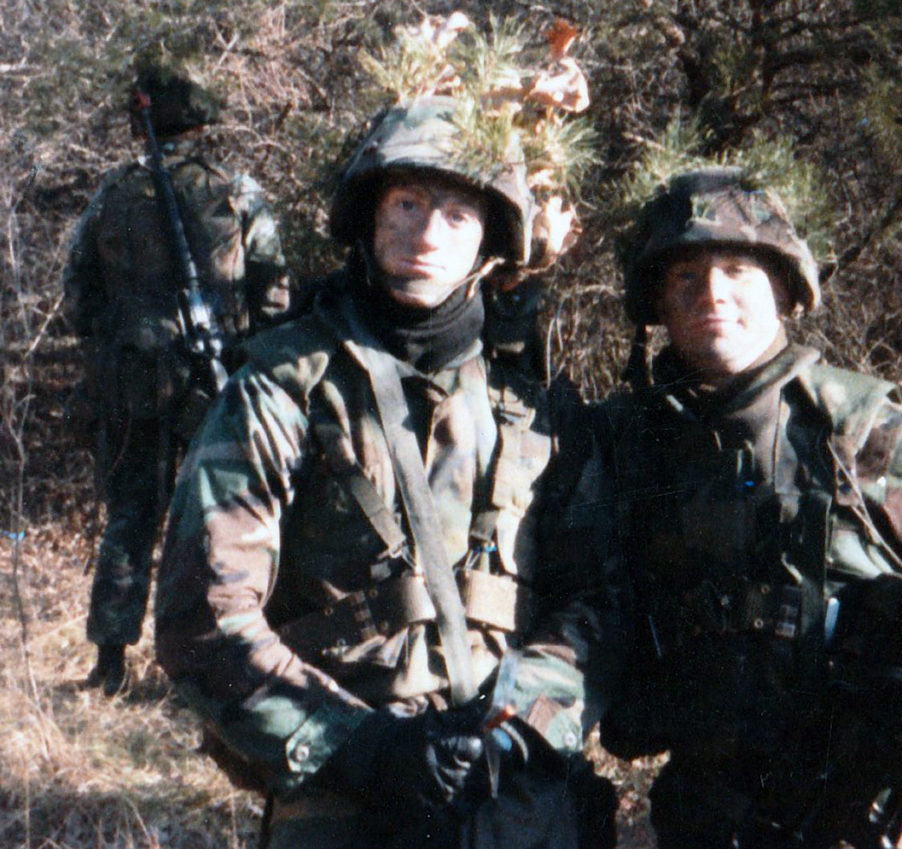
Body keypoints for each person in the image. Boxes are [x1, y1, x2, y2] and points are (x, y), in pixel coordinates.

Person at [154, 96, 621, 849]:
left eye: (458, 215)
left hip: (508, 784)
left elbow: (598, 601)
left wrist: (520, 724)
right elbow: (202, 620)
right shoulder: (282, 388)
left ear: (492, 246)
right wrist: (362, 748)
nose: (427, 234)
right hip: (345, 779)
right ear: (369, 217)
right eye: (406, 202)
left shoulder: (541, 409)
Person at [599, 167, 902, 848]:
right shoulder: (631, 448)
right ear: (657, 304)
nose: (712, 293)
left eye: (737, 269)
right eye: (686, 276)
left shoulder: (862, 434)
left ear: (784, 289)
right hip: (723, 814)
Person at [63, 63, 290, 696]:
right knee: (221, 522)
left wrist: (119, 340)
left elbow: (77, 295)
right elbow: (274, 289)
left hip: (132, 385)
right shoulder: (238, 191)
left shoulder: (112, 193)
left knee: (130, 516)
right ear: (199, 123)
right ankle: (219, 665)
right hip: (214, 384)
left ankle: (109, 664)